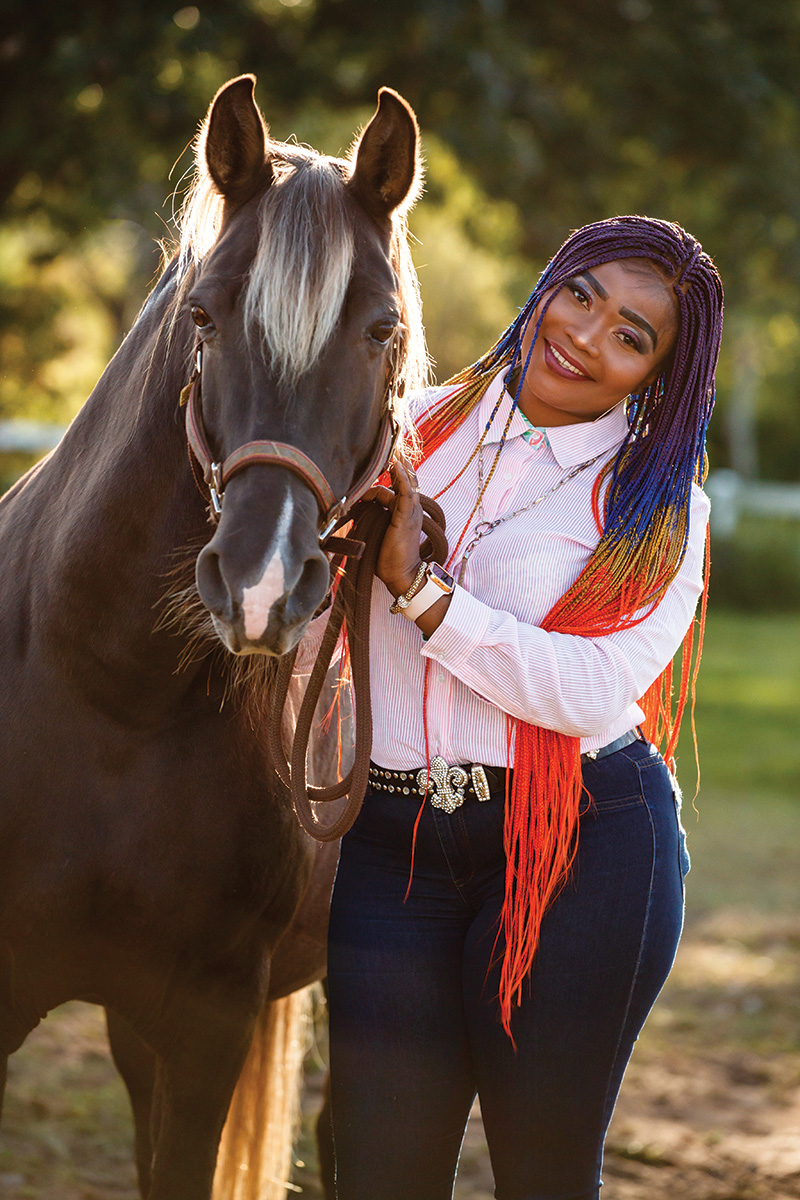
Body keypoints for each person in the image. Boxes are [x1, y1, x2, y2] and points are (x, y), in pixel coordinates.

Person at [319, 215, 724, 1200]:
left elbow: (585, 690)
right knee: (371, 1173)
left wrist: (424, 596)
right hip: (390, 844)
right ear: (546, 283)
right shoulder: (400, 429)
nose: (584, 335)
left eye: (630, 334)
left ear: (654, 377)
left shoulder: (656, 508)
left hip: (580, 847)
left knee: (541, 1174)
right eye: (580, 293)